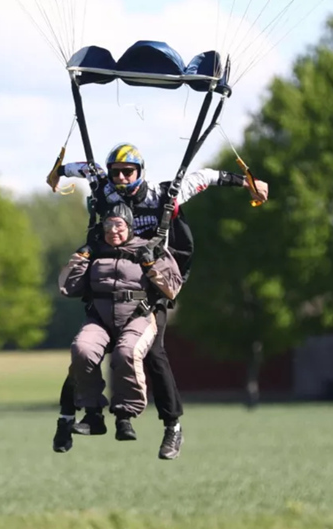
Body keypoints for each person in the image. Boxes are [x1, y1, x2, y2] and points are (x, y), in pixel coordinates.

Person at [51, 142, 269, 459]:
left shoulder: (164, 194)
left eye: (128, 172)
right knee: (85, 351)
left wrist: (248, 182)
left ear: (140, 172)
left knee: (153, 355)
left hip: (150, 290)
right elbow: (83, 168)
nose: (121, 178)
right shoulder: (104, 186)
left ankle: (172, 427)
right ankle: (69, 417)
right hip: (107, 284)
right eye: (117, 173)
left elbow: (205, 177)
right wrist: (58, 172)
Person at [58, 203, 183, 443]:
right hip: (100, 318)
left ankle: (125, 415)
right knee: (82, 350)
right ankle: (93, 414)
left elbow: (172, 288)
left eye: (119, 225)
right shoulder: (94, 250)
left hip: (138, 316)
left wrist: (150, 264)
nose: (113, 230)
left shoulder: (150, 249)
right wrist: (81, 257)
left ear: (130, 228)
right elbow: (67, 288)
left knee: (126, 352)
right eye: (108, 225)